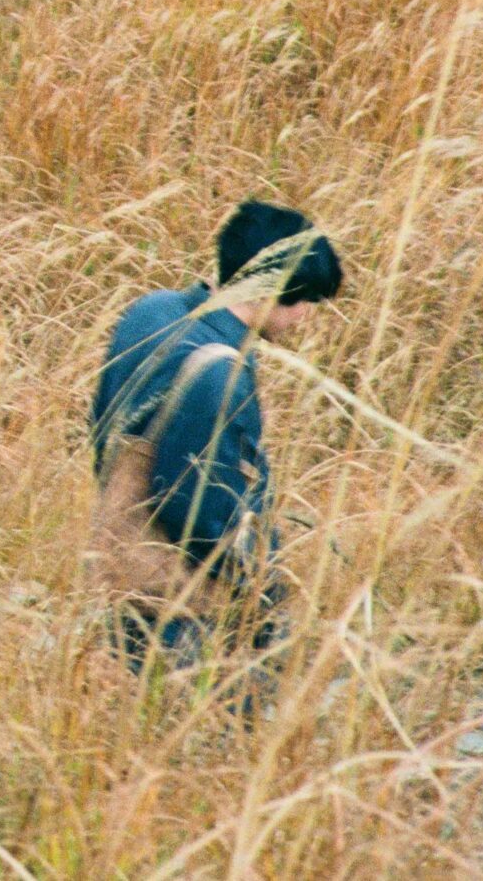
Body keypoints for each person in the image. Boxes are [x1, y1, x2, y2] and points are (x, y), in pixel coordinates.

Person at [87, 199, 343, 671]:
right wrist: (261, 590)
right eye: (305, 300)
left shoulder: (151, 310)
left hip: (117, 564)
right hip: (179, 603)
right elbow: (200, 504)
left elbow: (102, 423)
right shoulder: (219, 371)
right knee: (216, 729)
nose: (305, 316)